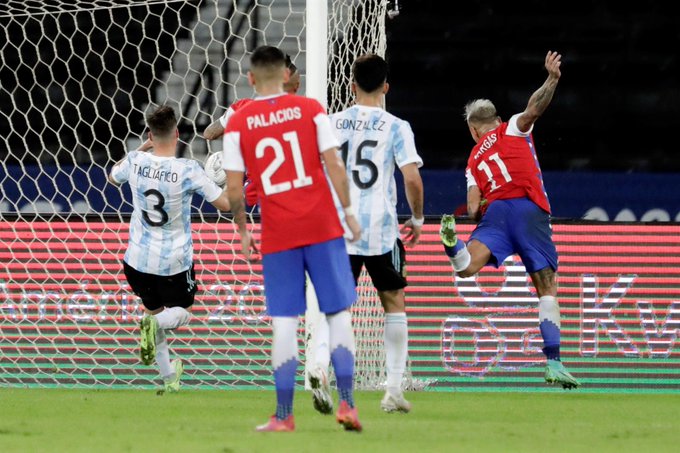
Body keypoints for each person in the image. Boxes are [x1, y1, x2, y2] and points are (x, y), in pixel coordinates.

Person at [222, 45, 363, 432]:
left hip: (279, 234)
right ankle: (348, 404)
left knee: (284, 322)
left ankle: (284, 415)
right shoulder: (311, 109)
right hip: (323, 227)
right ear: (287, 74)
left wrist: (243, 230)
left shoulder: (239, 123)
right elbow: (333, 164)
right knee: (336, 315)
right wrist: (349, 213)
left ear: (250, 79)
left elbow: (235, 189)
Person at [439, 51, 580, 390]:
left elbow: (474, 209)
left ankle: (451, 244)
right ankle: (554, 363)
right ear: (497, 118)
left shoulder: (473, 159)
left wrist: (487, 202)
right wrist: (552, 79)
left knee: (466, 267)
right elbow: (533, 110)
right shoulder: (511, 128)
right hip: (529, 209)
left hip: (497, 215)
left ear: (473, 130)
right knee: (546, 287)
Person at [309, 53, 424, 415]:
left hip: (338, 229)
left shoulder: (329, 123)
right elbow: (411, 178)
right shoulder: (396, 126)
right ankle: (392, 389)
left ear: (351, 85)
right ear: (386, 86)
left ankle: (318, 369)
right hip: (380, 231)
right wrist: (418, 218)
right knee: (394, 303)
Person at [109, 105, 231, 393]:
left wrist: (142, 147)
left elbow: (113, 177)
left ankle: (168, 378)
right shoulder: (188, 170)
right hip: (174, 263)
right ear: (177, 133)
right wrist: (237, 179)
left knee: (154, 315)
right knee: (182, 312)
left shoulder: (136, 160)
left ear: (150, 134)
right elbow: (225, 205)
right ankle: (154, 327)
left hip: (137, 261)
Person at [203, 54, 301, 208]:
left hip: (253, 198)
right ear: (296, 85)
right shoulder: (304, 114)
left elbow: (209, 133)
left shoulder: (244, 108)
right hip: (292, 195)